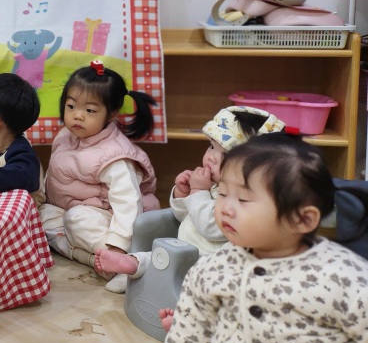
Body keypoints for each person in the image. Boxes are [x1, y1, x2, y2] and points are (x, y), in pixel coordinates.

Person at [73, 134, 368, 343]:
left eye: (243, 199)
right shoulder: (217, 263)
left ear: (302, 219)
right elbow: (195, 319)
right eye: (223, 193)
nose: (225, 208)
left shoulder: (343, 276)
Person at [93, 105, 285, 294]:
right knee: (158, 256)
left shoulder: (245, 202)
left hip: (209, 263)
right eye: (211, 146)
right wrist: (182, 194)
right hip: (183, 248)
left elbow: (211, 227)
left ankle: (138, 271)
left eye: (225, 154)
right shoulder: (214, 185)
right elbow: (183, 216)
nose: (211, 157)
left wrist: (198, 192)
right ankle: (132, 267)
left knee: (164, 261)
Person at [39, 59, 158, 291]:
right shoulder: (65, 137)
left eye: (90, 110)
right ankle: (93, 259)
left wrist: (118, 246)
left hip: (112, 220)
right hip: (72, 209)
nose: (78, 116)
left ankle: (124, 262)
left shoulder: (115, 156)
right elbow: (55, 175)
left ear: (111, 114)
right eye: (71, 106)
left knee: (76, 220)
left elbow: (128, 206)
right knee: (40, 217)